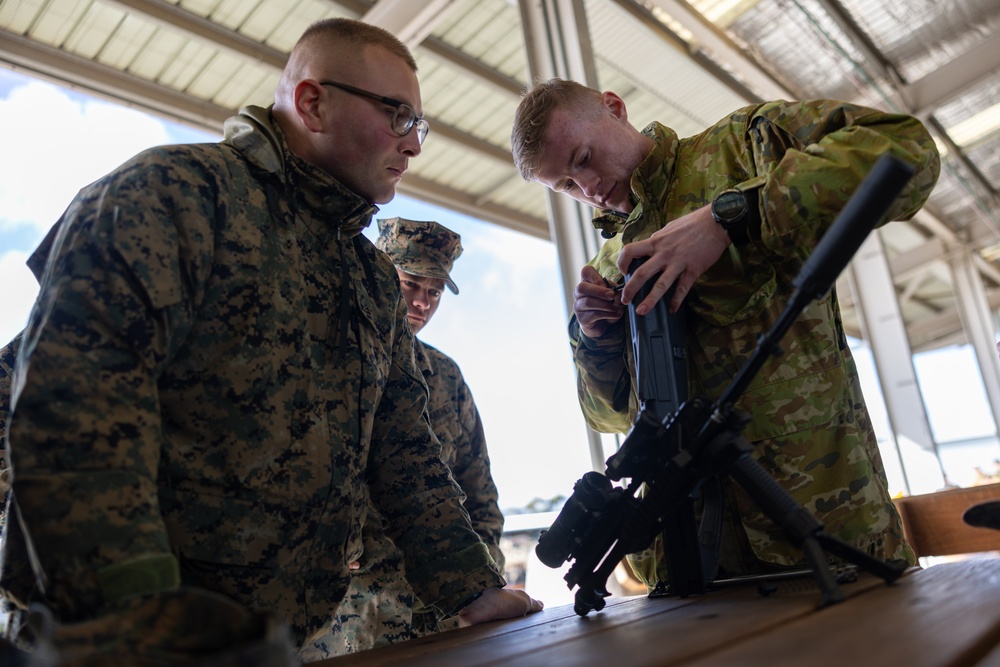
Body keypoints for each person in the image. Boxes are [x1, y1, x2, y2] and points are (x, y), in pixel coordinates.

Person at [1, 17, 541, 663]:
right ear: (313, 102)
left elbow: (404, 449)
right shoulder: (174, 194)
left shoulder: (366, 273)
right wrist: (133, 612)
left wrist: (469, 586)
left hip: (278, 636)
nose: (414, 144)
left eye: (418, 125)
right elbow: (75, 409)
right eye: (398, 116)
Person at [510, 79, 940, 588]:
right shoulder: (609, 266)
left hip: (822, 535)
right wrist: (596, 339)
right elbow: (607, 417)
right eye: (565, 185)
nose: (588, 189)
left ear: (614, 108)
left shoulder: (739, 149)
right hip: (690, 567)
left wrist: (728, 217)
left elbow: (905, 148)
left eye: (583, 158)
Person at [303, 217, 505, 658]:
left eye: (434, 291)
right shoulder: (331, 358)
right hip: (349, 617)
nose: (421, 302)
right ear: (378, 276)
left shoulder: (447, 377)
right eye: (410, 283)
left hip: (442, 614)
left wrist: (477, 581)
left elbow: (480, 493)